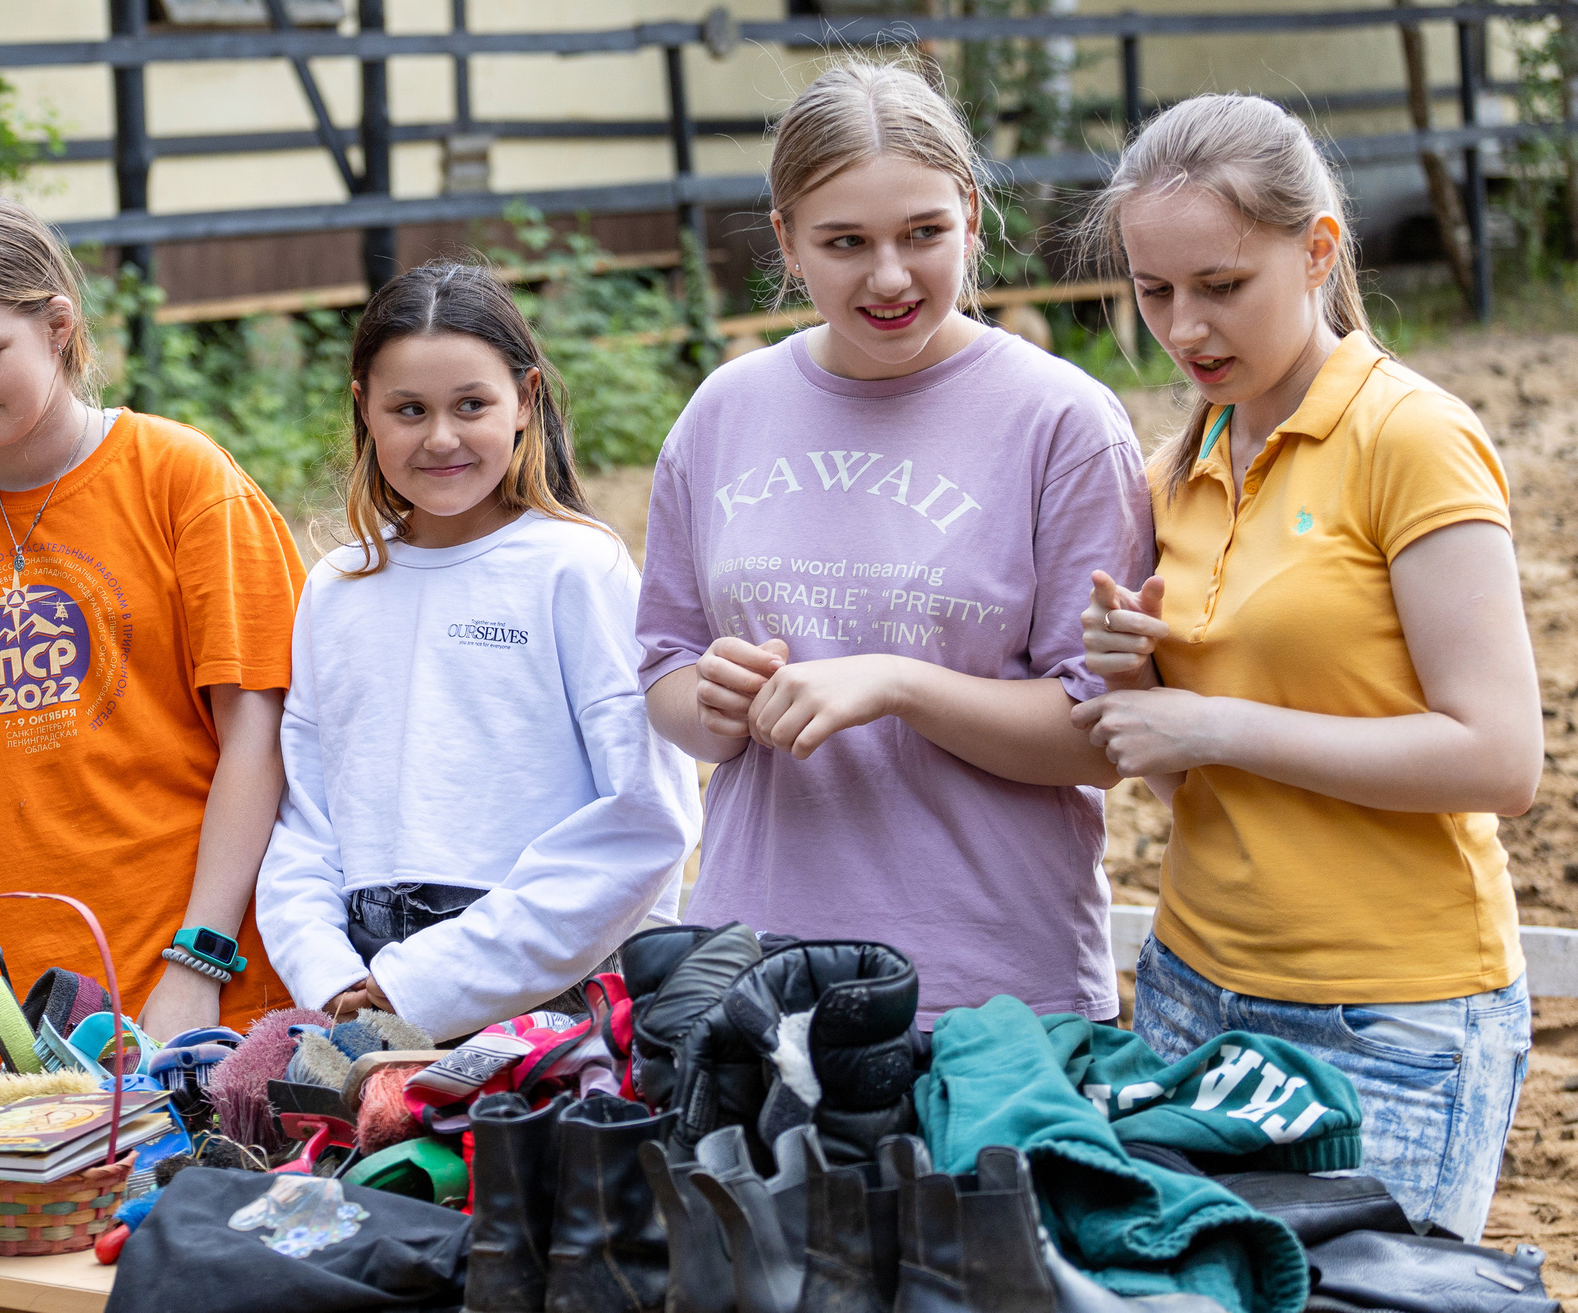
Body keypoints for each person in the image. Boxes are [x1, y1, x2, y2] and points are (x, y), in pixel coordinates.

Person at [1075, 93, 1540, 1240]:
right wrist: (1133, 685)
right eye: (1153, 291)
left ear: (1318, 250)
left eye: (1221, 285)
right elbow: (1191, 786)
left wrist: (1212, 724)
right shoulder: (1170, 468)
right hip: (1189, 992)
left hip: (1391, 1017)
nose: (1184, 328)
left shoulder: (1412, 438)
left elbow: (1498, 758)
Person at [636, 61, 1152, 1027]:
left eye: (923, 233)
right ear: (787, 240)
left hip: (993, 992)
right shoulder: (723, 412)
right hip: (757, 975)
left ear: (970, 215)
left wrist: (898, 684)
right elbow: (666, 667)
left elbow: (1099, 738)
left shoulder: (1064, 422)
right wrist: (715, 701)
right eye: (846, 242)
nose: (889, 276)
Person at [0, 197, 310, 1075]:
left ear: (58, 325)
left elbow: (260, 733)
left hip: (190, 998)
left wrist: (197, 961)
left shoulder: (184, 479)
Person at [254, 263, 697, 1043]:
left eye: (471, 404)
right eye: (409, 409)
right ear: (365, 409)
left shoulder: (577, 568)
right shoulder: (336, 588)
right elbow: (306, 809)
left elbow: (645, 815)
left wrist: (426, 981)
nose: (440, 437)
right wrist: (328, 973)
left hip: (549, 987)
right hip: (359, 985)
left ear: (524, 399)